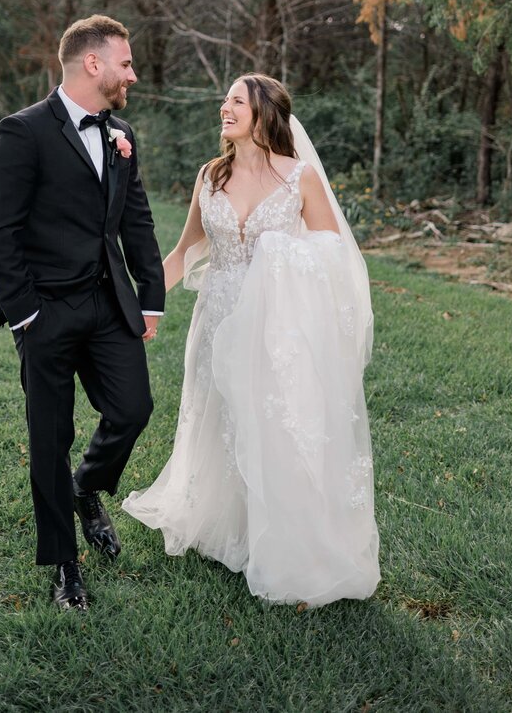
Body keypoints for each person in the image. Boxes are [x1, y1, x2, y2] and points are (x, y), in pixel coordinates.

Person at [123, 74, 380, 606]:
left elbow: (335, 255)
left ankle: (282, 535)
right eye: (225, 99)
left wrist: (280, 259)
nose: (224, 107)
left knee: (271, 424)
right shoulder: (210, 176)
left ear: (264, 113)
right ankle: (228, 526)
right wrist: (135, 305)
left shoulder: (300, 178)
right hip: (216, 319)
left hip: (275, 325)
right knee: (217, 418)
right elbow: (184, 251)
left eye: (235, 100)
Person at [0, 15, 165, 612]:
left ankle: (87, 489)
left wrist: (150, 295)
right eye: (126, 63)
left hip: (110, 306)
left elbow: (135, 220)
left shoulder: (121, 133)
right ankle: (64, 565)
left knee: (134, 408)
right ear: (93, 64)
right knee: (49, 438)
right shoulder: (23, 132)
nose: (132, 74)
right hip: (46, 312)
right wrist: (26, 313)